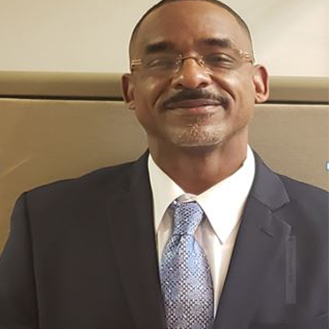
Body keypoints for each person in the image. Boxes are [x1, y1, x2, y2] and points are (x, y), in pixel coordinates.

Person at [0, 0, 327, 328]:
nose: (191, 76)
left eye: (218, 58)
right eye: (160, 61)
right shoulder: (47, 223)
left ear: (259, 84)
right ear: (130, 92)